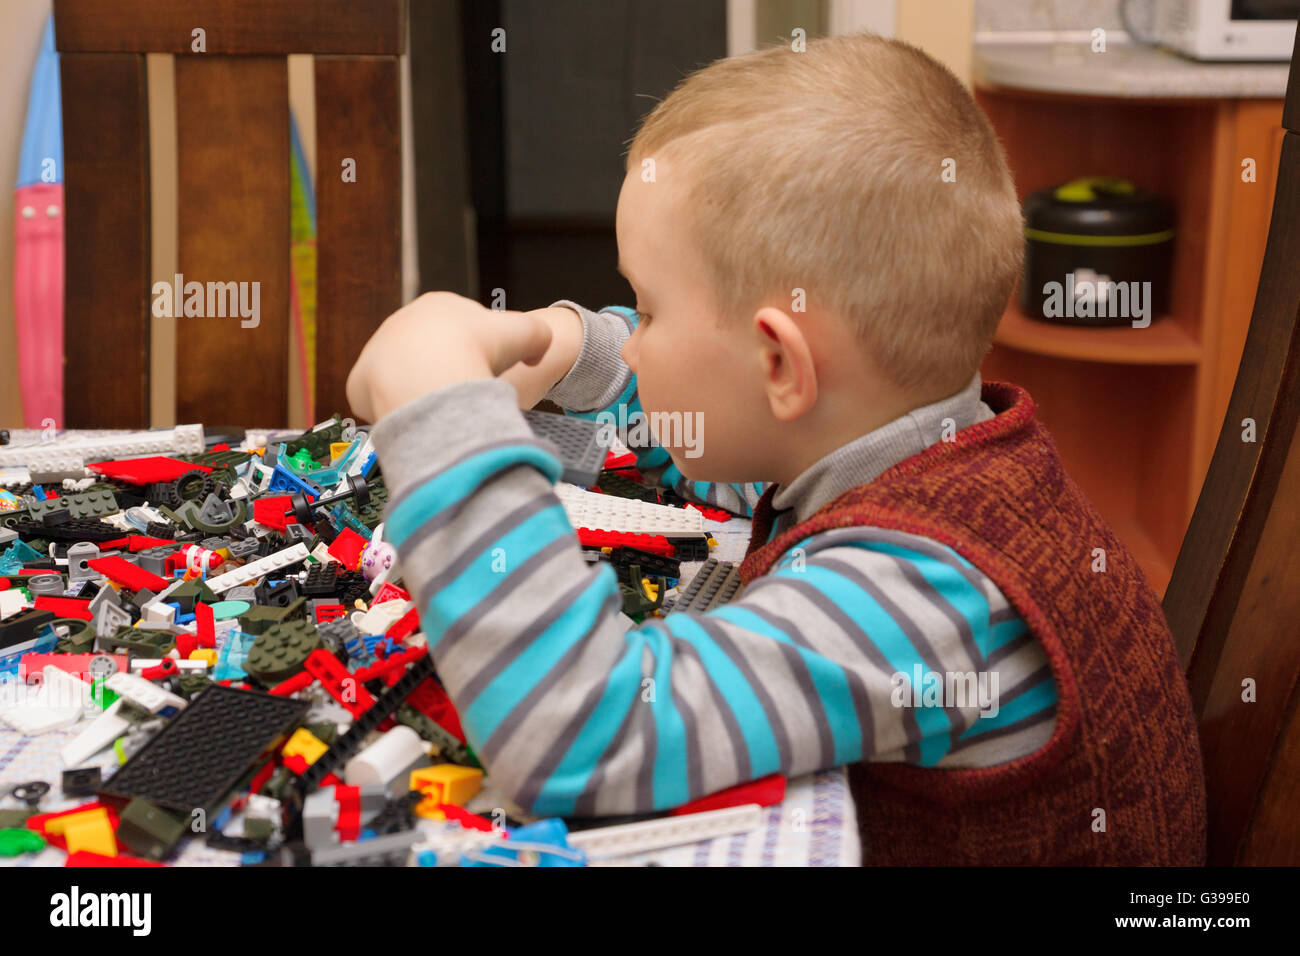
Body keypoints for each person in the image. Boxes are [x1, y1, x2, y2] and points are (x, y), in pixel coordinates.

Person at [346, 33, 1205, 864]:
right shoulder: (907, 440)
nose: (634, 339)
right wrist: (565, 345)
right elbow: (710, 436)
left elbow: (583, 732)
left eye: (644, 309)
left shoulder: (917, 593)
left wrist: (443, 416)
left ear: (781, 364)